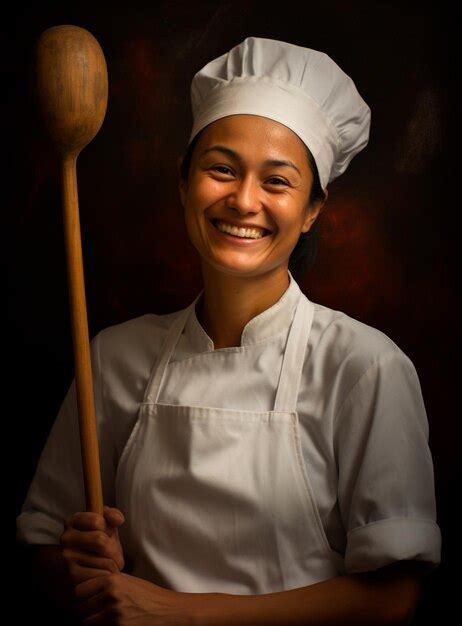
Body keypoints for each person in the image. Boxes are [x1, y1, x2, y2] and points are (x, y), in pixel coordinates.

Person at [16, 36, 441, 625]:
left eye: (277, 181)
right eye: (221, 169)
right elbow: (45, 547)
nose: (243, 201)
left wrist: (181, 613)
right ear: (185, 183)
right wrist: (86, 568)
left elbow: (393, 598)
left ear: (314, 208)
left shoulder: (366, 367)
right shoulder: (113, 356)